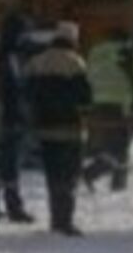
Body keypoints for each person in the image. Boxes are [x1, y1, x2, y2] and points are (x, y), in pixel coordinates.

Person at [23, 23, 91, 236]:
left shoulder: (36, 62)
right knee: (69, 176)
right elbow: (85, 97)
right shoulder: (75, 62)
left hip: (45, 129)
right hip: (70, 128)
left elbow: (27, 94)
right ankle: (65, 220)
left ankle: (55, 219)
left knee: (53, 176)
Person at [0, 12, 35, 223]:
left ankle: (0, 204)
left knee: (2, 164)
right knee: (8, 164)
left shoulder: (2, 55)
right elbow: (12, 89)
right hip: (8, 117)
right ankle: (13, 206)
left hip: (5, 116)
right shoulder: (9, 58)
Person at [83, 27, 133, 192]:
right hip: (119, 102)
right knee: (120, 146)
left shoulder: (95, 52)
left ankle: (113, 179)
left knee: (110, 144)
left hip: (97, 102)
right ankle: (103, 177)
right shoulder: (126, 51)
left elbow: (88, 74)